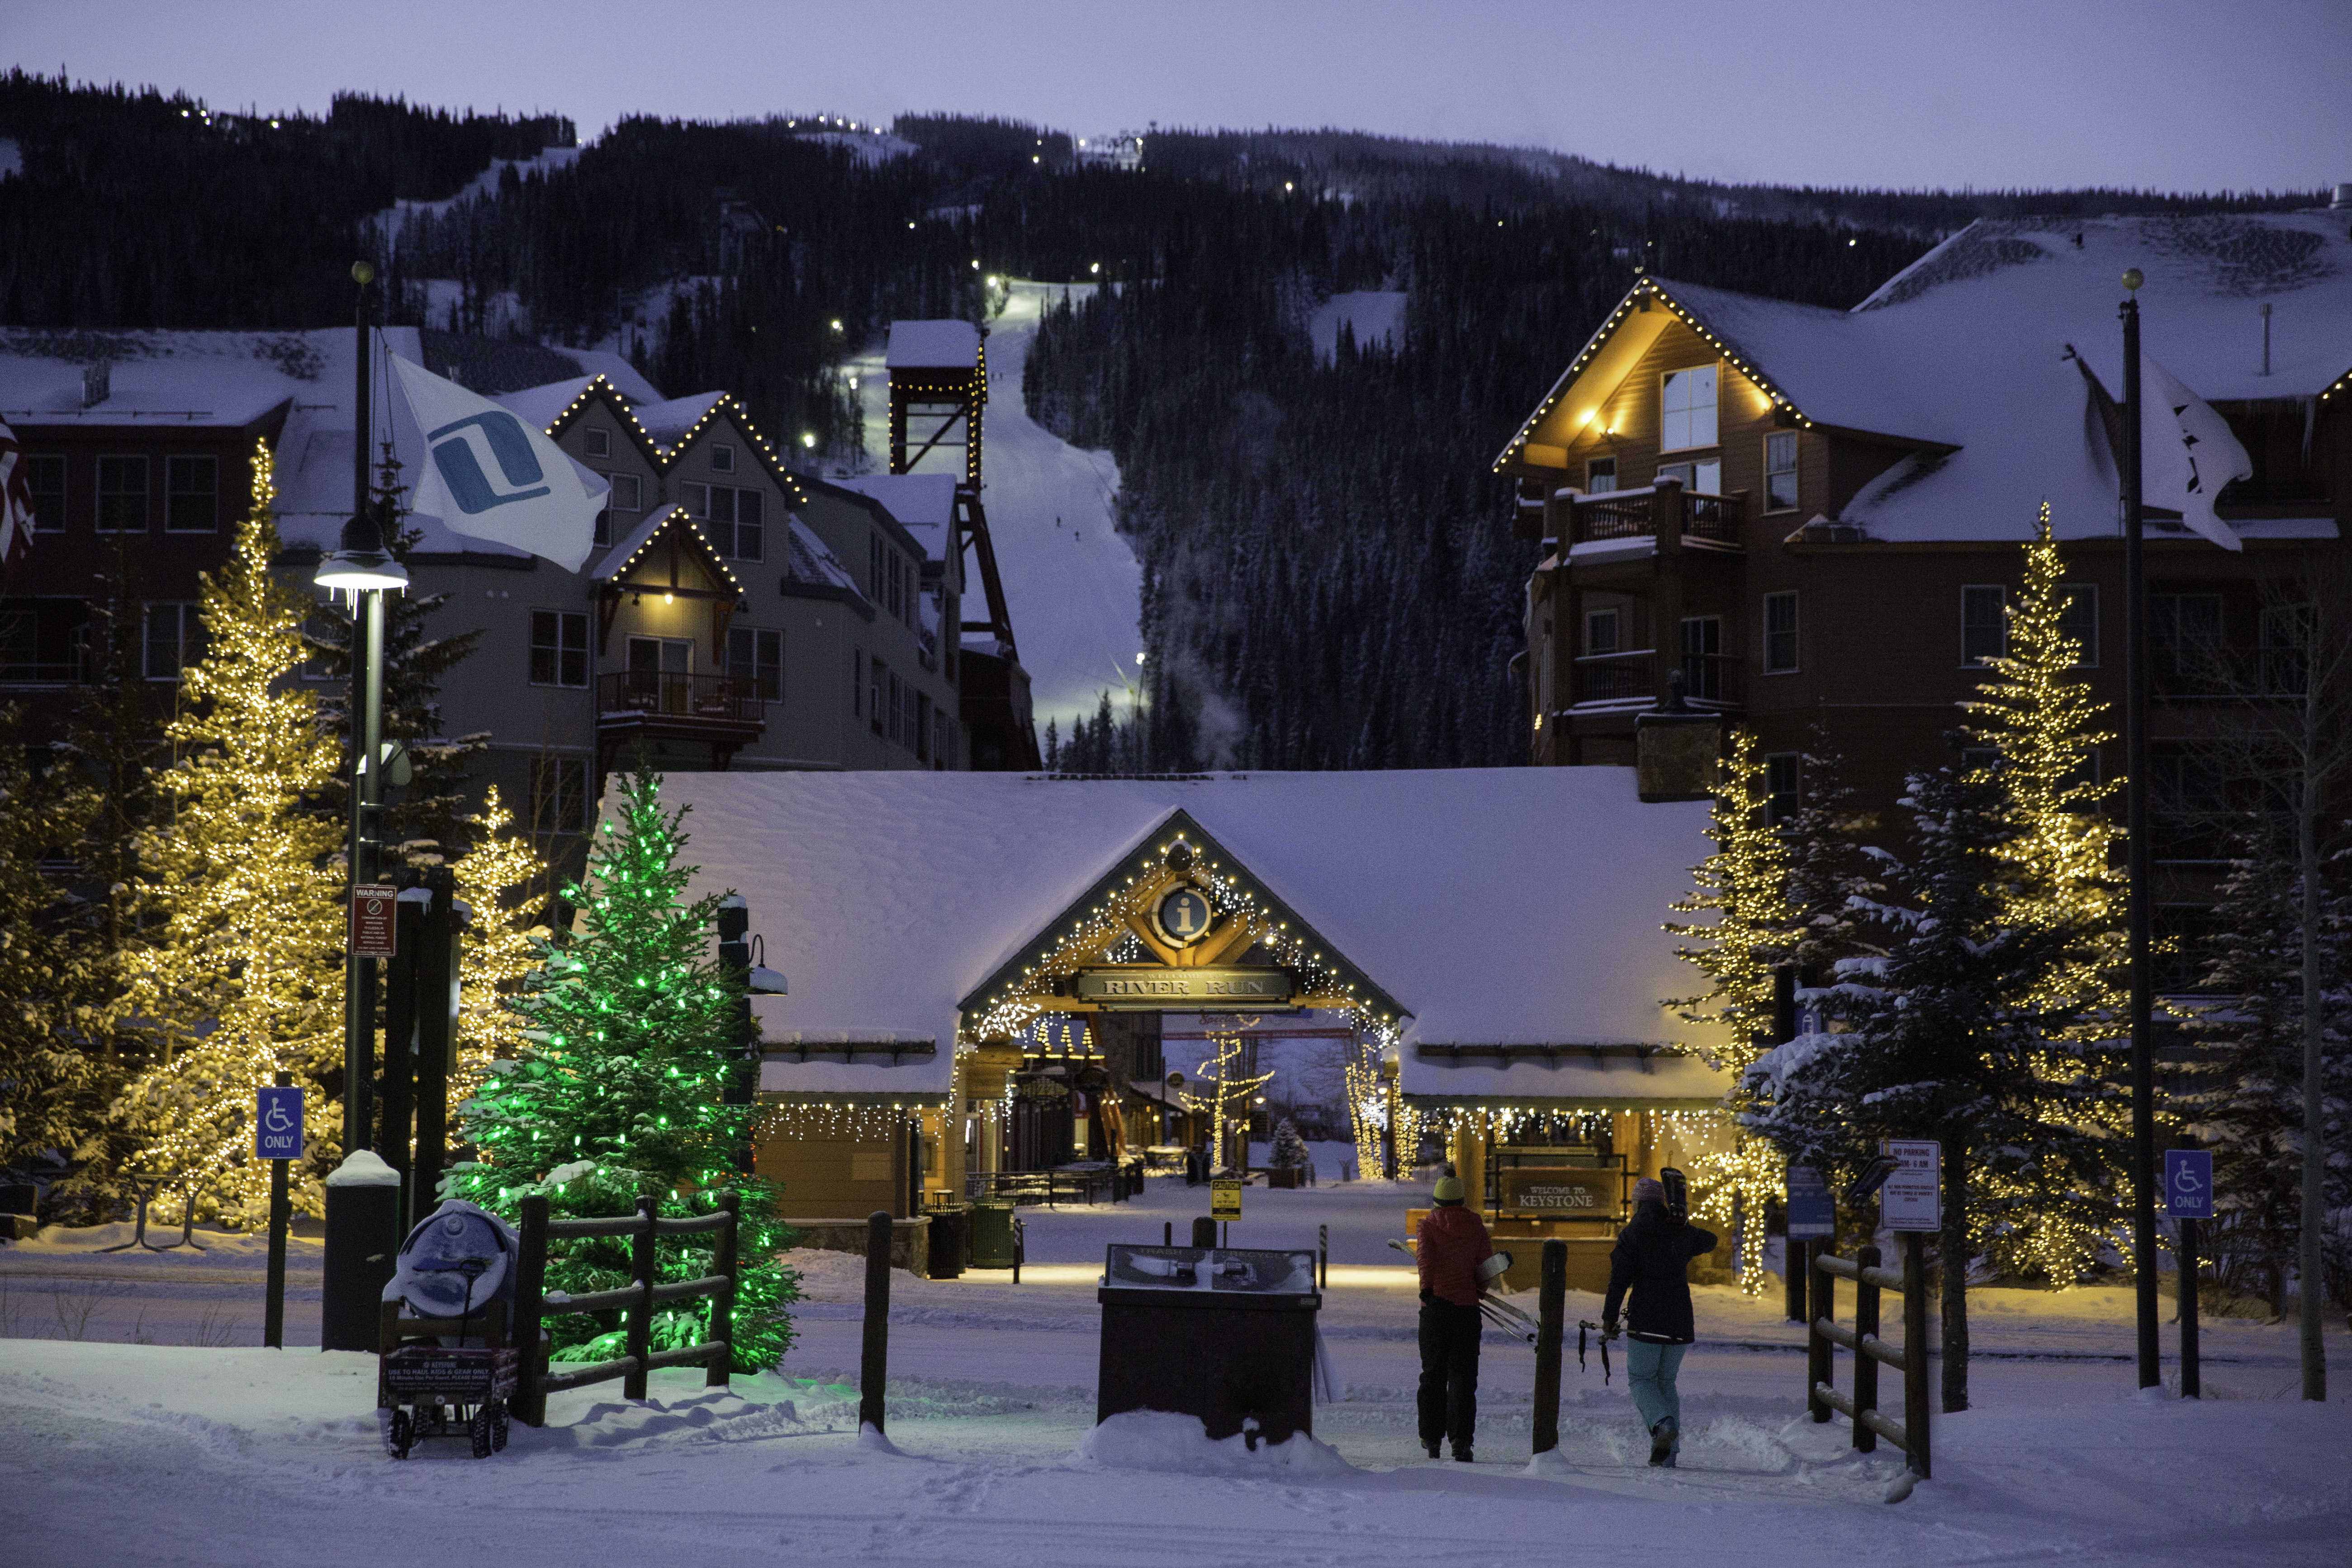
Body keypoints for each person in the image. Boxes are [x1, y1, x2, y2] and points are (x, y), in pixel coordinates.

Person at [1602, 1175, 1717, 1468]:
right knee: (1666, 1382)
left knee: (1641, 1380)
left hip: (1646, 1321)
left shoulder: (1633, 1234)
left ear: (1637, 1203)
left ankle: (1662, 1424)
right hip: (1680, 1322)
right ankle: (1670, 1453)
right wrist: (1684, 1223)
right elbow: (1710, 1241)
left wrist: (1609, 1318)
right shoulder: (1679, 1229)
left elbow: (1618, 1281)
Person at [1414, 1173, 1494, 1463]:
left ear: (1436, 1201)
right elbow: (1486, 1267)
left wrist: (1427, 1292)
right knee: (1463, 1378)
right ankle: (1461, 1442)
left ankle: (1432, 1439)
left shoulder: (1428, 1226)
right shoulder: (1476, 1227)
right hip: (1467, 1311)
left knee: (1433, 1375)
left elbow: (1425, 1262)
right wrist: (1478, 1292)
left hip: (1436, 1309)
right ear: (1462, 1201)